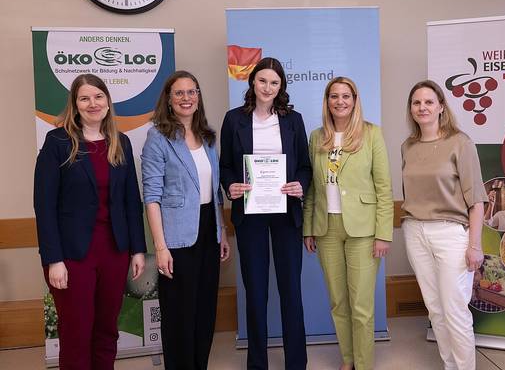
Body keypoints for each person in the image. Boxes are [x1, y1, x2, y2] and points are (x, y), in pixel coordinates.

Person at [34, 73, 146, 369]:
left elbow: (131, 201)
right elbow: (44, 206)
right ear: (75, 104)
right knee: (77, 333)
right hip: (72, 256)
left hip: (114, 251)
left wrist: (137, 249)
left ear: (108, 102)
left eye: (98, 97)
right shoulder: (58, 142)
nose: (92, 103)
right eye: (84, 98)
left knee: (107, 332)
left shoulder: (120, 142)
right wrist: (53, 259)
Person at [220, 57, 311, 370]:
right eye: (262, 81)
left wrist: (300, 184)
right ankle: (257, 364)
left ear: (281, 86)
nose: (268, 88)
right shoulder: (234, 119)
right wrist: (231, 185)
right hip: (250, 214)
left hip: (286, 212)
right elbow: (226, 166)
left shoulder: (293, 120)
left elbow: (305, 166)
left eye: (274, 82)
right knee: (256, 292)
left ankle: (296, 363)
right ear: (252, 82)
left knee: (291, 290)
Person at [141, 70, 230, 370]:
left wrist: (222, 232)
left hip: (208, 231)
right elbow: (151, 196)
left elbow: (214, 191)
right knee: (179, 315)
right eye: (179, 93)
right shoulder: (158, 137)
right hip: (177, 238)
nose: (186, 98)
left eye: (192, 91)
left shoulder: (208, 137)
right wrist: (161, 247)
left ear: (198, 97)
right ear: (168, 99)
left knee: (205, 312)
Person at [303, 77, 393, 370]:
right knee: (338, 302)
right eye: (334, 96)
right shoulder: (317, 137)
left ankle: (363, 364)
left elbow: (384, 187)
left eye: (346, 96)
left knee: (361, 305)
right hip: (326, 227)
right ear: (327, 101)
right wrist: (308, 228)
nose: (340, 101)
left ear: (355, 100)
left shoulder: (371, 134)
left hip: (363, 230)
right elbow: (312, 187)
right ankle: (348, 359)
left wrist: (383, 234)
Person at [400, 80, 487, 370]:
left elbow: (476, 200)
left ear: (440, 107)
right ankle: (450, 365)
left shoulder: (460, 143)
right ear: (411, 109)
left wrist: (475, 246)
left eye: (428, 102)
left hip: (451, 233)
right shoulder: (407, 147)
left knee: (454, 310)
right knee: (435, 309)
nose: (422, 107)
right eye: (416, 102)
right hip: (415, 231)